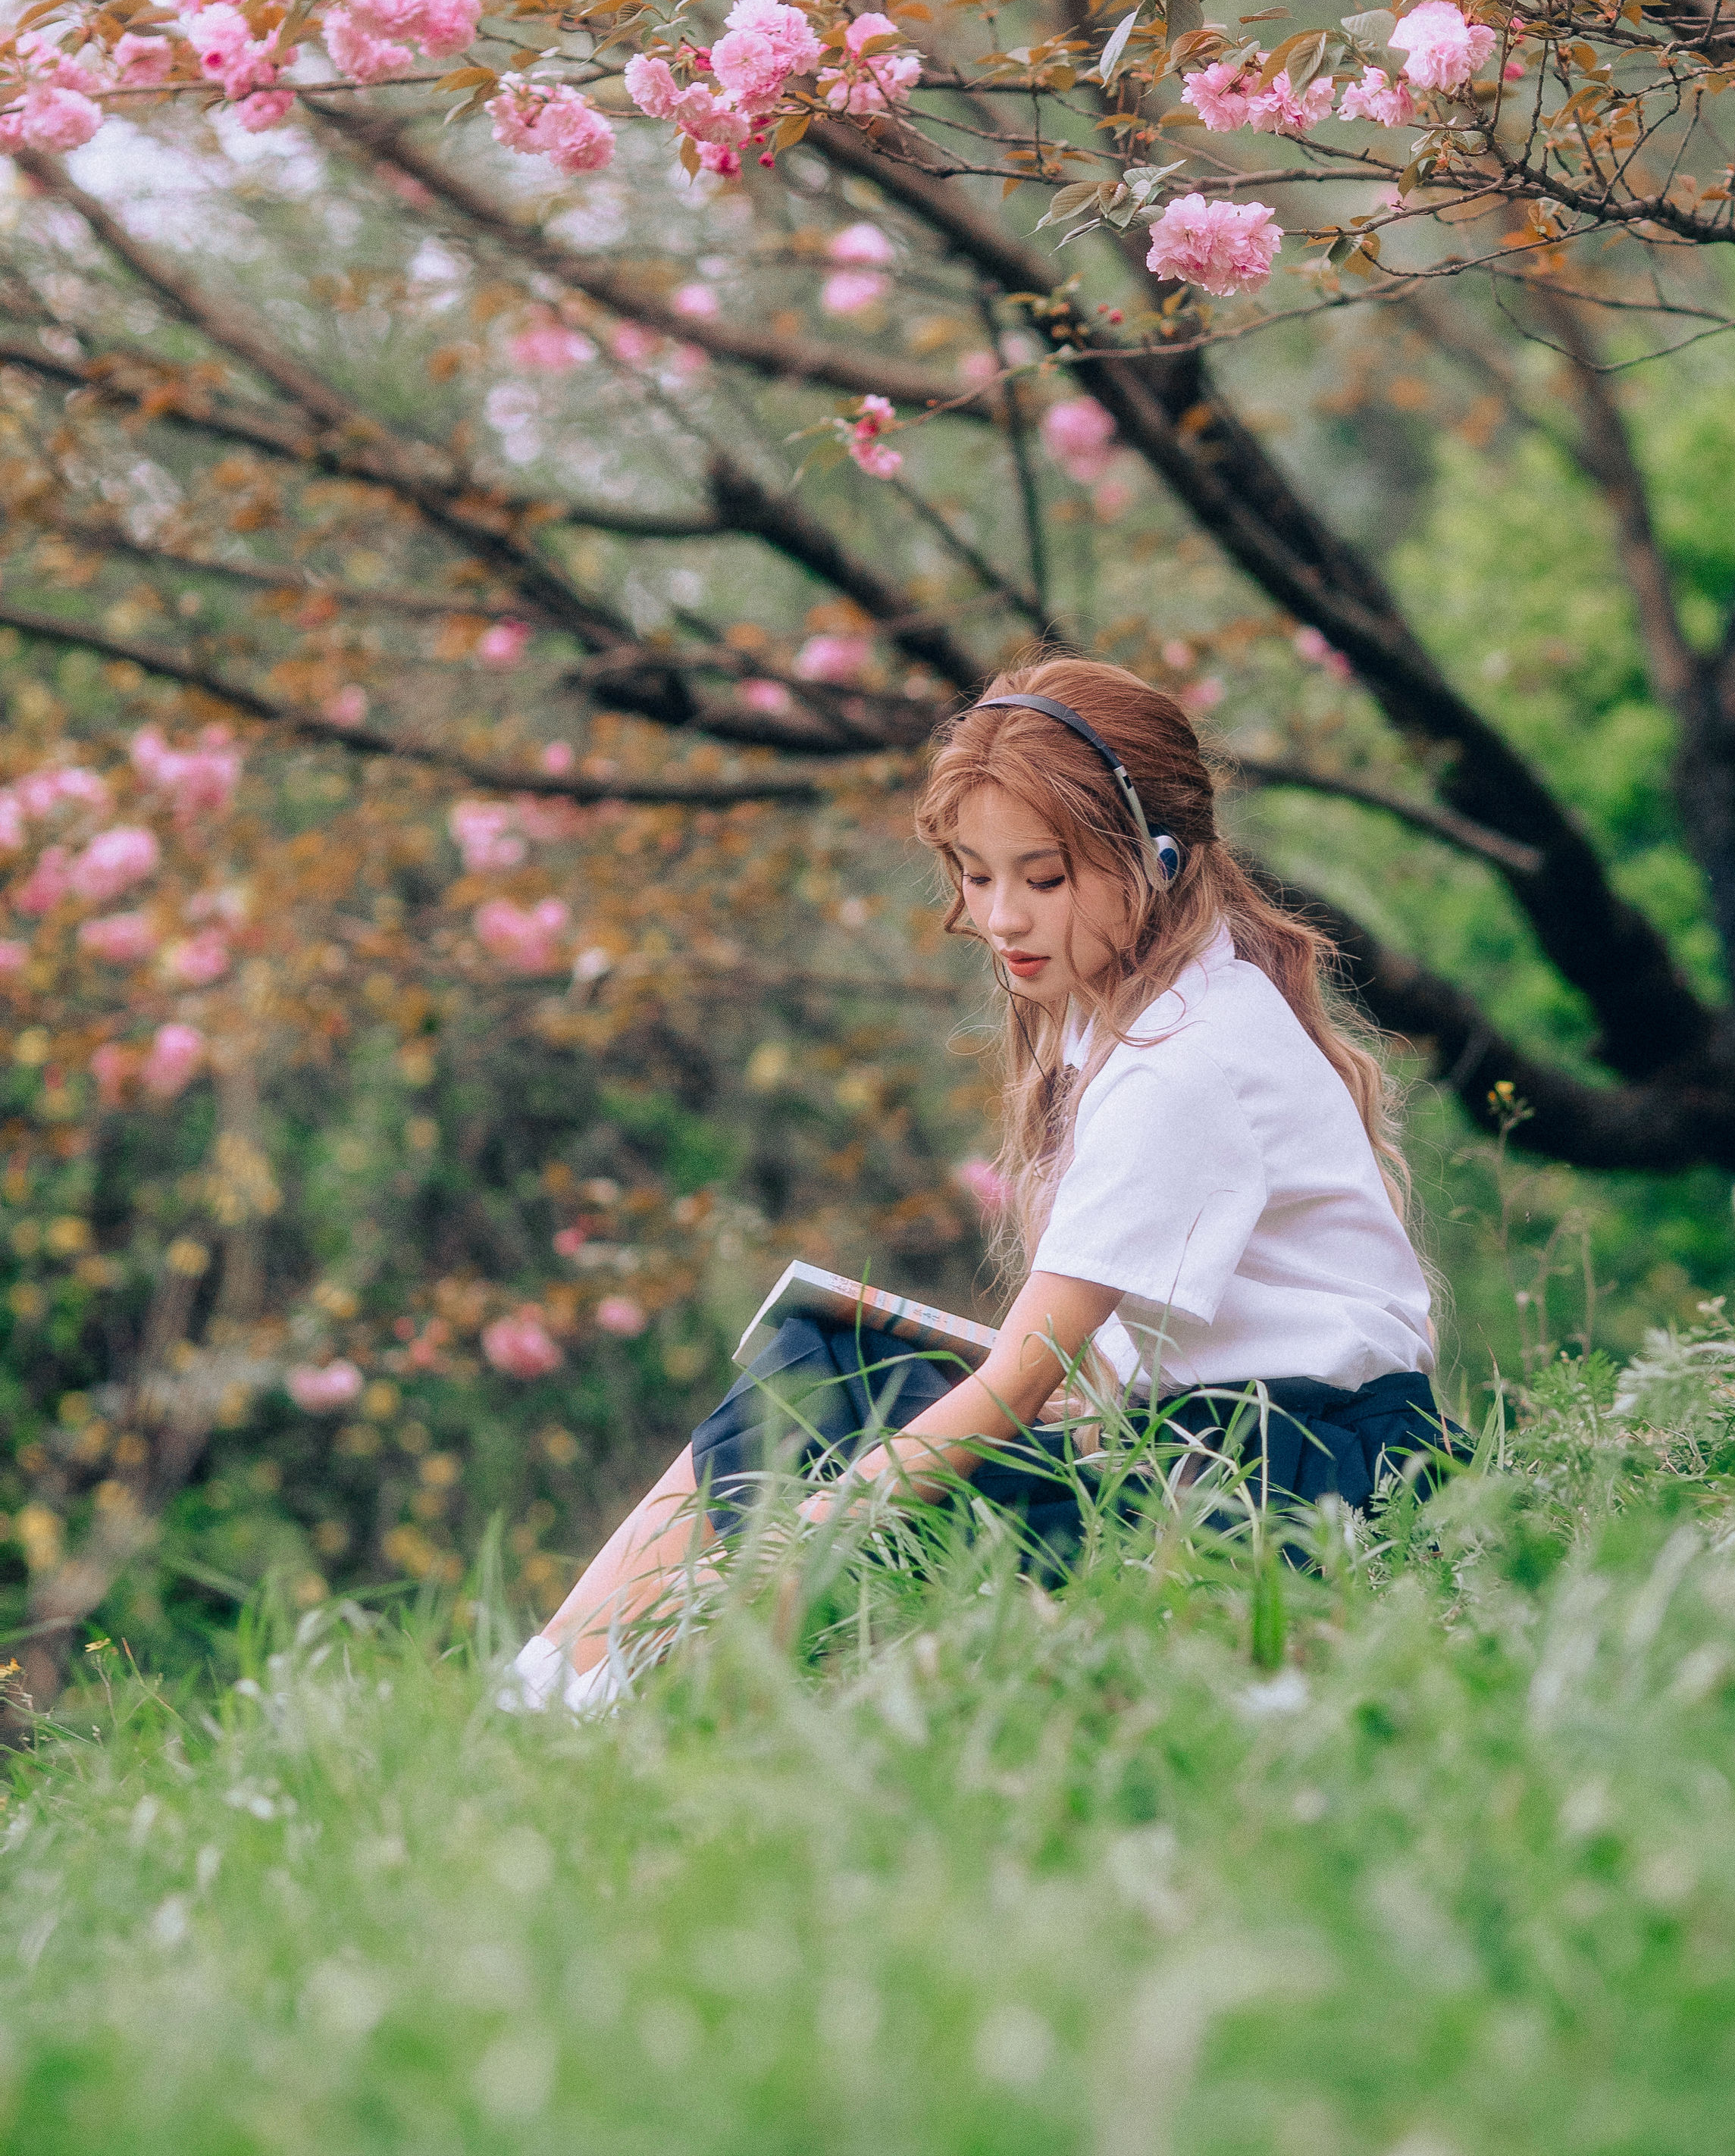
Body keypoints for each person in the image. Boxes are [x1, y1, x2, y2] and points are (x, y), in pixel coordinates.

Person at [505, 662, 1460, 1710]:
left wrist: (825, 1519)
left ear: (1163, 859)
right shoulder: (1166, 1000)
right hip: (1237, 1457)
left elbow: (1022, 1383)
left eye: (1042, 879)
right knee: (832, 1367)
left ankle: (581, 1698)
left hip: (1293, 1496)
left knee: (828, 1394)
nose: (1002, 918)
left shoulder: (1180, 1061)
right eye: (974, 874)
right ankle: (574, 1685)